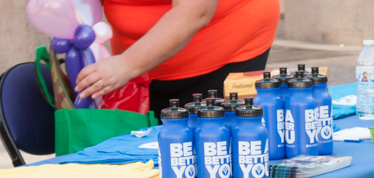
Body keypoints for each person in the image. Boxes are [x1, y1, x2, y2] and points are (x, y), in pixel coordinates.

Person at [74, 0, 279, 114]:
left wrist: (127, 64)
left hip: (227, 49)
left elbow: (195, 12)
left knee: (212, 146)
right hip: (137, 68)